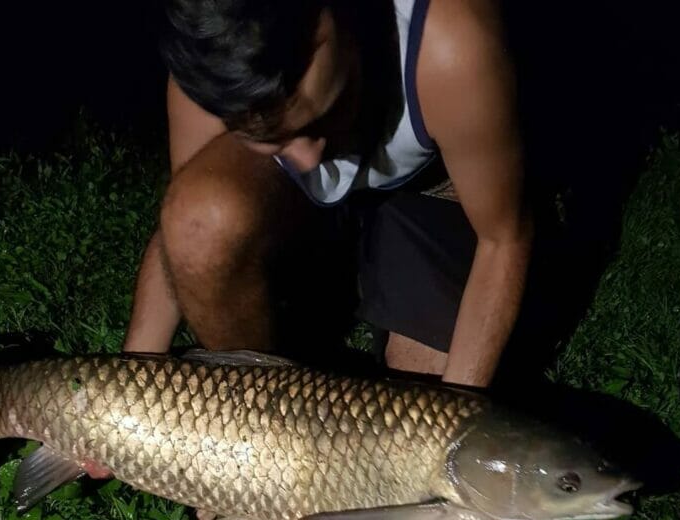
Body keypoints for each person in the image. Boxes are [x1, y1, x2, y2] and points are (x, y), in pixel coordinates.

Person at [123, 0, 532, 388]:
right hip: (295, 203)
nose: (308, 157)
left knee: (423, 394)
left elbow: (502, 240)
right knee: (202, 222)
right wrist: (131, 379)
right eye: (273, 138)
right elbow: (183, 224)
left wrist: (453, 423)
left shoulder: (450, 42)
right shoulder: (213, 63)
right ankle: (259, 407)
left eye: (328, 111)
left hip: (428, 188)